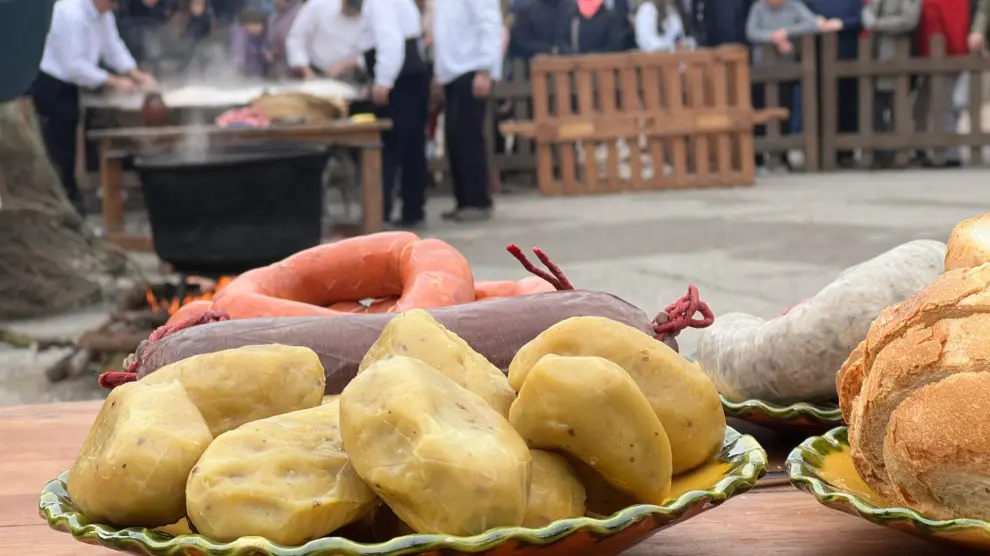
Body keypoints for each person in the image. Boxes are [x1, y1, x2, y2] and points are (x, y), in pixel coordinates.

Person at [31, 0, 155, 216]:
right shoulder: (69, 13)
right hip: (51, 83)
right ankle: (62, 205)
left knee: (69, 138)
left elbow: (112, 47)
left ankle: (72, 201)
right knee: (58, 147)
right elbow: (72, 65)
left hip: (74, 82)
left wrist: (135, 74)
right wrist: (113, 81)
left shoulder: (103, 14)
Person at [361, 0, 431, 228]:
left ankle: (381, 212)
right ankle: (413, 209)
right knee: (413, 146)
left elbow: (390, 40)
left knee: (390, 147)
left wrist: (383, 80)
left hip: (399, 78)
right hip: (413, 72)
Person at [433, 0, 503, 222]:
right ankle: (464, 199)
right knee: (455, 138)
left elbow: (490, 24)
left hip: (471, 68)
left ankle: (478, 200)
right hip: (453, 70)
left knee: (468, 137)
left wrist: (486, 68)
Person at [861, 0, 921, 168]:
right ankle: (878, 152)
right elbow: (868, 11)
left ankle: (898, 152)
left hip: (898, 53)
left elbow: (909, 20)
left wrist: (879, 24)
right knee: (876, 106)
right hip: (875, 54)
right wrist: (870, 21)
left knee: (897, 106)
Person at [805, 0, 862, 168]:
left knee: (848, 104)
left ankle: (846, 152)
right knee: (818, 103)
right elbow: (799, 12)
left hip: (848, 55)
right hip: (816, 57)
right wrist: (816, 22)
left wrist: (842, 23)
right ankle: (819, 151)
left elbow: (862, 18)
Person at [913, 0, 970, 167]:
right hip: (934, 54)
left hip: (945, 55)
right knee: (933, 105)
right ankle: (932, 149)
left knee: (947, 105)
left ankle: (948, 153)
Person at [285, 0, 366, 79]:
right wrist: (306, 71)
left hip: (349, 76)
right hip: (314, 71)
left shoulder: (370, 15)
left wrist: (347, 63)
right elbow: (295, 39)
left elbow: (369, 53)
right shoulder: (318, 5)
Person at [509, 0, 577, 59]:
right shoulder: (527, 11)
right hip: (534, 67)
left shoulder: (572, 9)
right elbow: (520, 44)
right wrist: (550, 50)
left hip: (573, 65)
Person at [265, 0, 305, 78]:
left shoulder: (301, 13)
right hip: (280, 72)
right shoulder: (274, 16)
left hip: (301, 72)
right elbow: (270, 42)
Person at [230, 6, 270, 78]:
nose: (257, 27)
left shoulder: (262, 37)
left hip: (258, 75)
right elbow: (238, 58)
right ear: (244, 24)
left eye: (258, 24)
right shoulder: (240, 37)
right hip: (246, 76)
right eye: (253, 24)